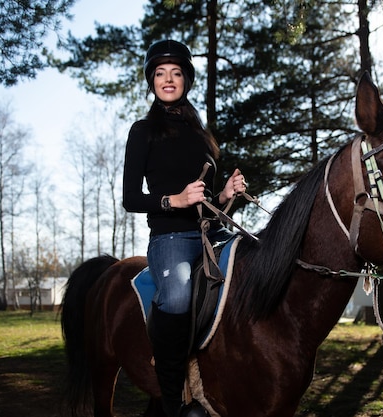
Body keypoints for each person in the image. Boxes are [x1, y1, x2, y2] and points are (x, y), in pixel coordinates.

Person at [122, 39, 247, 417]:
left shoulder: (202, 136)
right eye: (160, 73)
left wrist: (226, 193)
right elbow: (130, 198)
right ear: (152, 81)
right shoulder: (142, 131)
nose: (168, 79)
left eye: (176, 72)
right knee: (175, 297)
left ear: (187, 80)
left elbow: (208, 202)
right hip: (170, 238)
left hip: (211, 234)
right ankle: (173, 402)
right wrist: (173, 200)